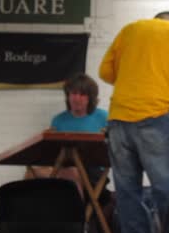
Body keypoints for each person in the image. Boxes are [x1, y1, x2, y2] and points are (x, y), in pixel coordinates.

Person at [99, 11, 169, 233]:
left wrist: (132, 78)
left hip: (118, 122)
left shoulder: (129, 30)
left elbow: (105, 71)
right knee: (168, 191)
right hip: (153, 119)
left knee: (127, 194)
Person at [24, 73, 109, 201]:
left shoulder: (104, 117)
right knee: (32, 172)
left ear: (90, 98)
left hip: (94, 172)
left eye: (82, 94)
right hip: (63, 167)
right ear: (68, 96)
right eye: (73, 93)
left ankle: (78, 218)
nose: (76, 98)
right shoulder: (58, 120)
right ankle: (30, 216)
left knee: (70, 171)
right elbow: (52, 153)